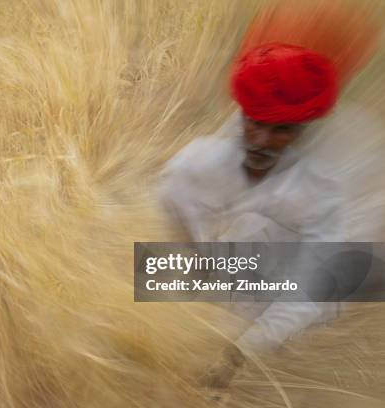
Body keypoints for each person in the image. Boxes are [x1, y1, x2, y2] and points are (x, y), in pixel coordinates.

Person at [156, 38, 385, 388]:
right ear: (242, 113)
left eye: (282, 130)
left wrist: (240, 353)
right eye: (255, 123)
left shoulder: (324, 189)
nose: (262, 140)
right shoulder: (193, 166)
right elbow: (171, 235)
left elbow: (311, 288)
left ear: (304, 129)